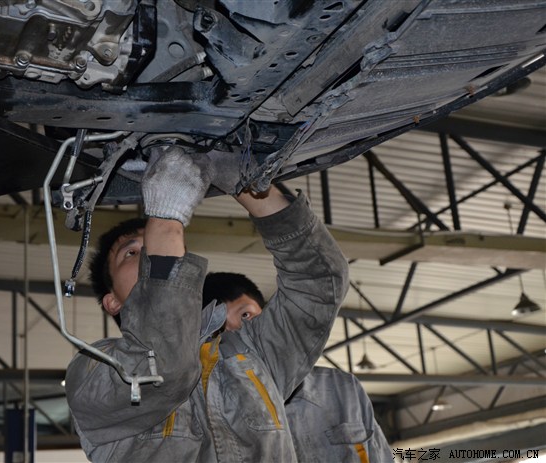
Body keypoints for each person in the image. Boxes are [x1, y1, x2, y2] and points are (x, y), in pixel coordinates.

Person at [65, 144, 349, 462]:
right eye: (131, 253)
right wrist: (166, 219)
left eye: (158, 246)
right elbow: (165, 366)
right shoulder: (94, 371)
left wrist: (249, 185)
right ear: (112, 302)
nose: (150, 254)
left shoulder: (252, 354)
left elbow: (319, 283)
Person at [203, 272, 394, 463]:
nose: (239, 333)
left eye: (246, 315)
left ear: (268, 315)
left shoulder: (341, 387)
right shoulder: (212, 411)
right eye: (219, 331)